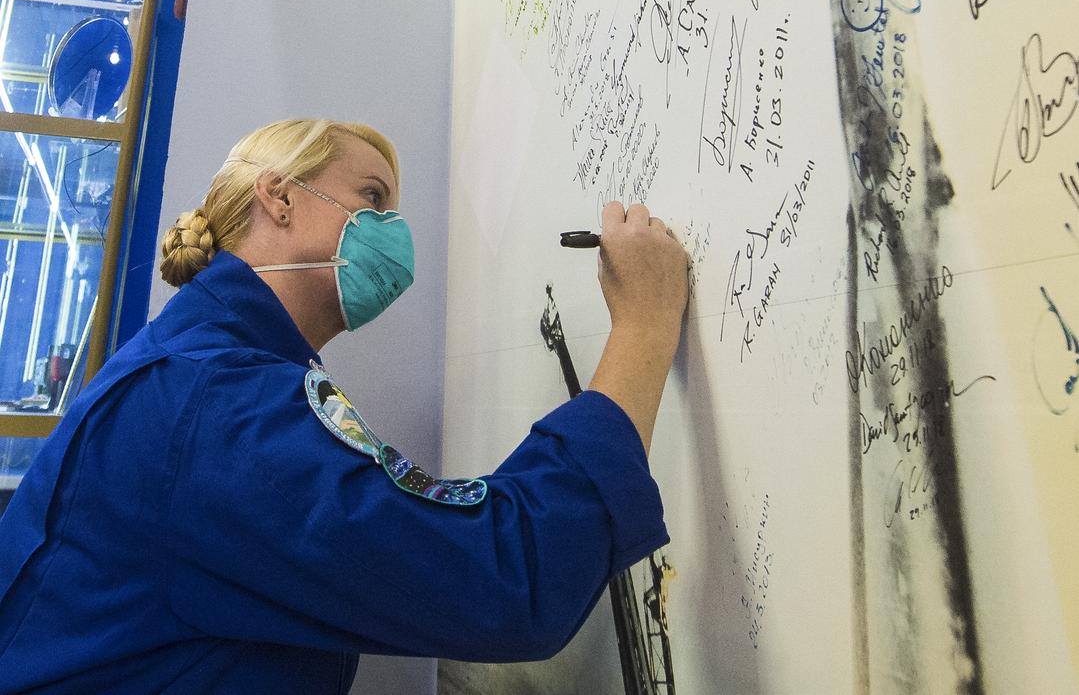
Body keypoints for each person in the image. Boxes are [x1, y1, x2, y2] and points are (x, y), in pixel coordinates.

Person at [0, 118, 689, 694]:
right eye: (371, 197)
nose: (394, 231)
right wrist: (641, 328)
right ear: (279, 197)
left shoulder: (200, 370)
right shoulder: (216, 407)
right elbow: (501, 577)